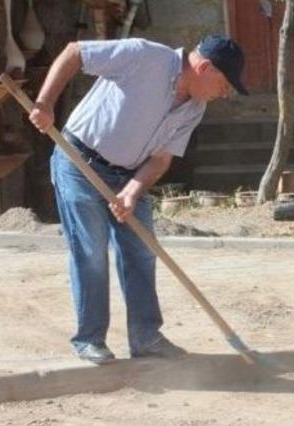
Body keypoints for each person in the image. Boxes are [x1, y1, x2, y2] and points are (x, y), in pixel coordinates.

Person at [28, 35, 248, 364]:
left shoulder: (194, 109)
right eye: (225, 84)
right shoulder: (143, 56)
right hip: (79, 161)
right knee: (91, 250)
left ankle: (146, 338)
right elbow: (74, 52)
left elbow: (161, 158)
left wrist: (132, 190)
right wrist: (45, 103)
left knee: (141, 253)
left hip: (129, 173)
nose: (226, 93)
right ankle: (90, 340)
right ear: (204, 67)